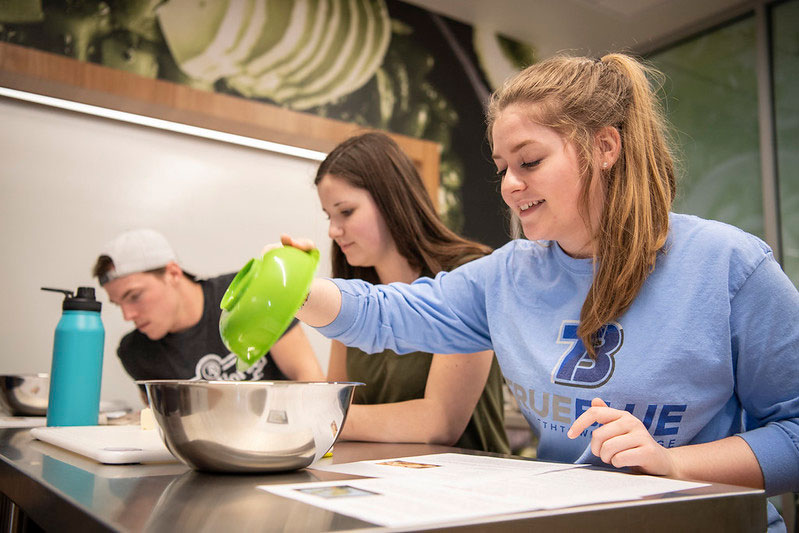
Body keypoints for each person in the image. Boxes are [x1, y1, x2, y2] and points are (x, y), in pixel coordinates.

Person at [276, 54, 798, 531]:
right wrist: (299, 290)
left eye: (529, 162)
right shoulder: (506, 275)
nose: (508, 185)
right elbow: (393, 313)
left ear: (605, 146)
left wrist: (675, 465)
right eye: (503, 168)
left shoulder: (730, 266)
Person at [313, 132, 509, 453]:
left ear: (391, 200)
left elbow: (439, 422)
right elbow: (336, 398)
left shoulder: (468, 275)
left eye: (345, 212)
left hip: (469, 487)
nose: (334, 231)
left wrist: (315, 417)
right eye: (329, 217)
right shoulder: (350, 292)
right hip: (383, 482)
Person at [93, 228, 324, 404]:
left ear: (173, 273)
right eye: (118, 304)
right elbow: (161, 423)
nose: (127, 315)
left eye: (134, 296)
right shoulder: (135, 352)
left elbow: (310, 381)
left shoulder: (245, 294)